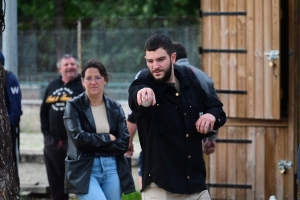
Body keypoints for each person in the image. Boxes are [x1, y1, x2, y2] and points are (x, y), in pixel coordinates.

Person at [128, 34, 226, 200]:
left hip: (195, 184)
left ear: (173, 58)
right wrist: (142, 94)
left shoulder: (190, 84)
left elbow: (218, 109)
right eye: (150, 61)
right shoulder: (144, 84)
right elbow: (134, 97)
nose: (155, 66)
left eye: (160, 60)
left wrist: (210, 116)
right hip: (161, 188)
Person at [63, 59, 135, 200]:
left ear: (105, 80)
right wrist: (107, 138)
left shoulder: (115, 107)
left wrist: (92, 144)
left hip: (112, 168)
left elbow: (123, 143)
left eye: (97, 78)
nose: (93, 82)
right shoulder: (74, 106)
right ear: (83, 82)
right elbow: (78, 139)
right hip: (85, 169)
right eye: (88, 78)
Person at [40, 54, 84, 200]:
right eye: (66, 65)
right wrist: (47, 135)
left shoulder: (83, 85)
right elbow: (44, 112)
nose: (70, 67)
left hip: (75, 143)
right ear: (59, 68)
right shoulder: (52, 86)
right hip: (53, 143)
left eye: (73, 64)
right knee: (56, 185)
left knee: (82, 184)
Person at [172, 42, 219, 155]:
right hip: (199, 135)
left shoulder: (173, 76)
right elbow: (214, 107)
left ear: (173, 57)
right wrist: (212, 137)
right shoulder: (205, 76)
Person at [0, 51, 22, 186]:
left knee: (8, 167)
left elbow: (15, 110)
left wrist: (5, 130)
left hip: (6, 133)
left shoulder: (9, 78)